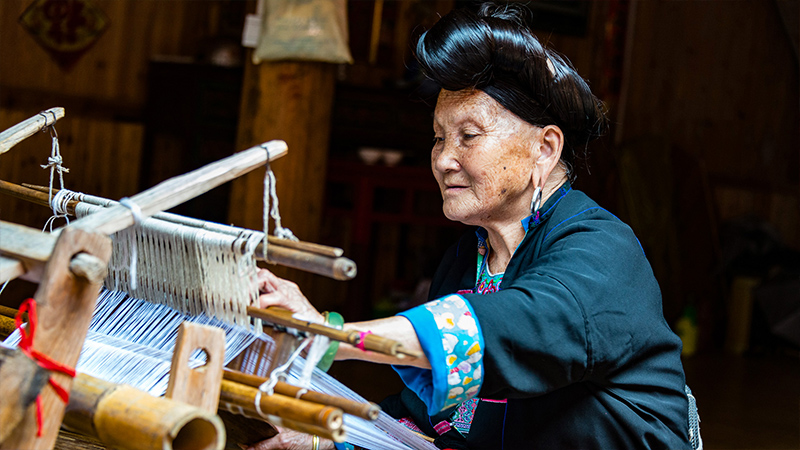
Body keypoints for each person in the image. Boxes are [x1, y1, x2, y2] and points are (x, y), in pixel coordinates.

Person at [250, 3, 698, 449]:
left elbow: (519, 327)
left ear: (544, 148)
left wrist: (329, 337)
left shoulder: (601, 249)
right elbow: (425, 422)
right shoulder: (467, 260)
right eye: (439, 137)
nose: (444, 159)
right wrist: (325, 439)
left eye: (468, 135)